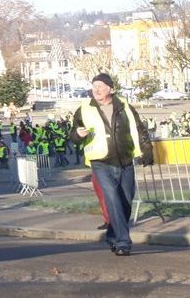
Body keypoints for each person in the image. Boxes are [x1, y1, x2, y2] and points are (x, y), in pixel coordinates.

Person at [71, 73, 150, 256]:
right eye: (94, 86)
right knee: (112, 198)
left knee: (126, 200)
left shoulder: (125, 107)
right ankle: (123, 242)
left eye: (101, 86)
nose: (96, 89)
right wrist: (78, 134)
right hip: (100, 162)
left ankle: (113, 235)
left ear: (111, 89)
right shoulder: (84, 109)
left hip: (125, 159)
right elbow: (72, 135)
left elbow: (139, 128)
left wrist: (147, 148)